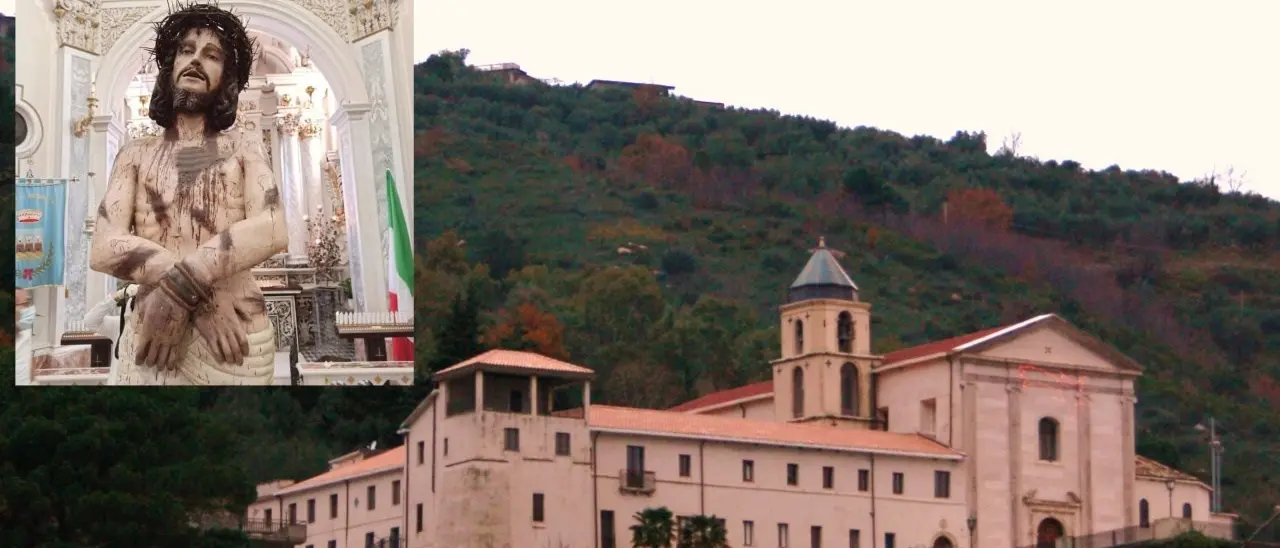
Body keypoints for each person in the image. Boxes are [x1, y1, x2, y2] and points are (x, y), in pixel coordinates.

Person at [88, 3, 286, 385]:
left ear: (226, 78)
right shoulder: (134, 154)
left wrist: (185, 285)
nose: (196, 60)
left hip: (231, 341)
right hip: (151, 337)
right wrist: (193, 295)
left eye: (212, 55)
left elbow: (273, 226)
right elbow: (103, 245)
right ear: (170, 66)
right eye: (186, 50)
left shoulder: (244, 148)